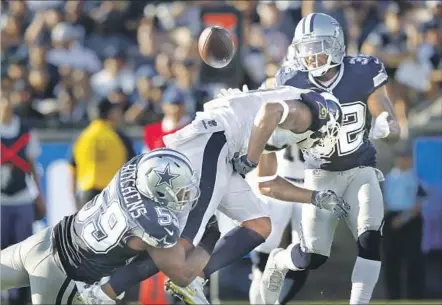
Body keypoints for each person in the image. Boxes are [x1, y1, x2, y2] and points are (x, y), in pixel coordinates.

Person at [80, 85, 350, 304]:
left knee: (259, 224)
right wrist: (251, 158)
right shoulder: (305, 113)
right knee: (182, 245)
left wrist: (313, 197)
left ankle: (195, 279)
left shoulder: (284, 121)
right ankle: (103, 292)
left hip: (224, 155)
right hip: (214, 143)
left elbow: (268, 185)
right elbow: (269, 111)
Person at [256, 13, 400, 305]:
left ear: (336, 44)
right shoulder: (291, 80)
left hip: (361, 168)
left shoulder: (363, 69)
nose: (311, 55)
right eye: (306, 47)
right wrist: (275, 139)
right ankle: (282, 260)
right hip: (320, 174)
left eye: (318, 45)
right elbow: (279, 124)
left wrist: (387, 124)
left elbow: (386, 114)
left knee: (370, 236)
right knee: (312, 257)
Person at [0, 148, 220, 304]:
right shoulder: (154, 225)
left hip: (45, 240)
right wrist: (211, 234)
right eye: (182, 191)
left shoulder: (135, 169)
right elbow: (182, 274)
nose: (187, 196)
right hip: (60, 275)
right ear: (160, 191)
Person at [0, 94, 46, 305]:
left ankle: (21, 298)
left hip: (21, 198)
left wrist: (39, 196)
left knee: (22, 252)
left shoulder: (26, 131)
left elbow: (32, 165)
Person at [68, 98, 136, 209]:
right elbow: (132, 167)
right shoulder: (119, 137)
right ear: (110, 113)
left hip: (86, 194)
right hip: (112, 194)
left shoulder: (82, 136)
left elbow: (72, 169)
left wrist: (74, 199)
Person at [382, 146, 426, 300]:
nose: (403, 161)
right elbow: (383, 200)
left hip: (410, 220)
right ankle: (393, 296)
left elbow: (420, 202)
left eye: (406, 158)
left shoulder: (416, 179)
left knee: (413, 258)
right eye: (400, 158)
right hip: (390, 218)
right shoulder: (388, 179)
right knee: (390, 259)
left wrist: (404, 218)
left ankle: (415, 296)